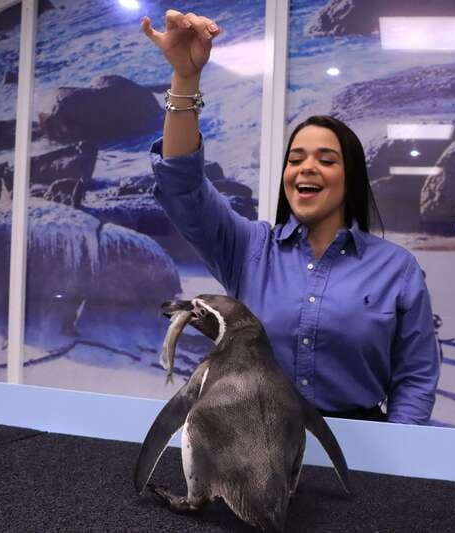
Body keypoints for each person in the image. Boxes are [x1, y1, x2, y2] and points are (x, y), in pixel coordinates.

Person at [141, 10, 439, 424]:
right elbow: (182, 186)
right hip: (249, 441)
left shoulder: (397, 268)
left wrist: (393, 468)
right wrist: (185, 78)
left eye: (326, 159)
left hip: (359, 451)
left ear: (349, 177)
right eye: (295, 158)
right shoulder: (248, 248)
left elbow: (415, 379)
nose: (306, 168)